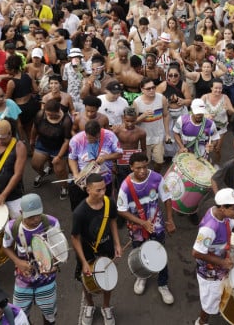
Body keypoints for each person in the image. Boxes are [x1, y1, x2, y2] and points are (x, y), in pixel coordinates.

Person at [117, 152, 176, 304]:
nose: (142, 171)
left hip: (156, 225)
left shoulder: (157, 178)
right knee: (139, 253)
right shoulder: (125, 186)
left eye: (145, 166)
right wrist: (142, 223)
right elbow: (121, 210)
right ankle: (142, 276)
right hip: (137, 228)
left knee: (160, 253)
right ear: (131, 167)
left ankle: (163, 284)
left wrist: (170, 220)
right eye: (138, 168)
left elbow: (167, 198)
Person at [192, 188, 234, 325]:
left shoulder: (221, 213)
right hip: (210, 271)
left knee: (219, 293)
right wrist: (222, 262)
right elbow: (196, 252)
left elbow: (231, 223)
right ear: (222, 208)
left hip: (220, 263)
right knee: (210, 301)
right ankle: (201, 322)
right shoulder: (209, 229)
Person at [71, 173, 122, 325]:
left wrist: (117, 244)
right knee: (86, 280)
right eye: (98, 190)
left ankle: (106, 306)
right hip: (87, 251)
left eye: (104, 188)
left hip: (106, 247)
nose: (102, 193)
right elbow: (75, 238)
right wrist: (83, 262)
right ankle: (90, 305)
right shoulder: (79, 212)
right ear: (88, 190)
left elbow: (113, 221)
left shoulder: (109, 202)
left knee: (107, 277)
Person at [1, 193, 60, 324]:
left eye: (38, 214)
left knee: (49, 315)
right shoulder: (12, 227)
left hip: (47, 280)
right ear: (21, 213)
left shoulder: (52, 223)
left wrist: (54, 265)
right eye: (31, 217)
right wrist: (18, 262)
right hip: (23, 280)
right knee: (20, 315)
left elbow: (58, 250)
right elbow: (6, 247)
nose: (36, 220)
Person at [67, 120, 123, 211]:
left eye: (95, 138)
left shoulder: (110, 136)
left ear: (100, 132)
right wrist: (76, 174)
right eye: (89, 138)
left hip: (104, 181)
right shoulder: (76, 140)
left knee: (104, 207)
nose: (91, 141)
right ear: (85, 132)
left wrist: (105, 157)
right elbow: (72, 158)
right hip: (84, 181)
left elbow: (120, 154)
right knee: (80, 208)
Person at [30, 99, 73, 200]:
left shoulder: (66, 120)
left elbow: (67, 141)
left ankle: (64, 187)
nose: (49, 116)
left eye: (53, 114)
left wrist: (59, 157)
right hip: (43, 144)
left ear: (58, 111)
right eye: (48, 114)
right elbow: (34, 128)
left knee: (60, 170)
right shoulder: (41, 114)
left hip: (59, 147)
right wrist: (32, 139)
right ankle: (42, 174)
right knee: (35, 165)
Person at [132, 77, 169, 173]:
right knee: (145, 163)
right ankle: (147, 177)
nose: (152, 90)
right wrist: (143, 116)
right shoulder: (137, 102)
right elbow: (132, 122)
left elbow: (165, 115)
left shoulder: (161, 98)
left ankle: (156, 175)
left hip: (158, 136)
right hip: (144, 139)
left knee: (160, 162)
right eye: (148, 89)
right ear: (142, 90)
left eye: (153, 87)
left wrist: (167, 134)